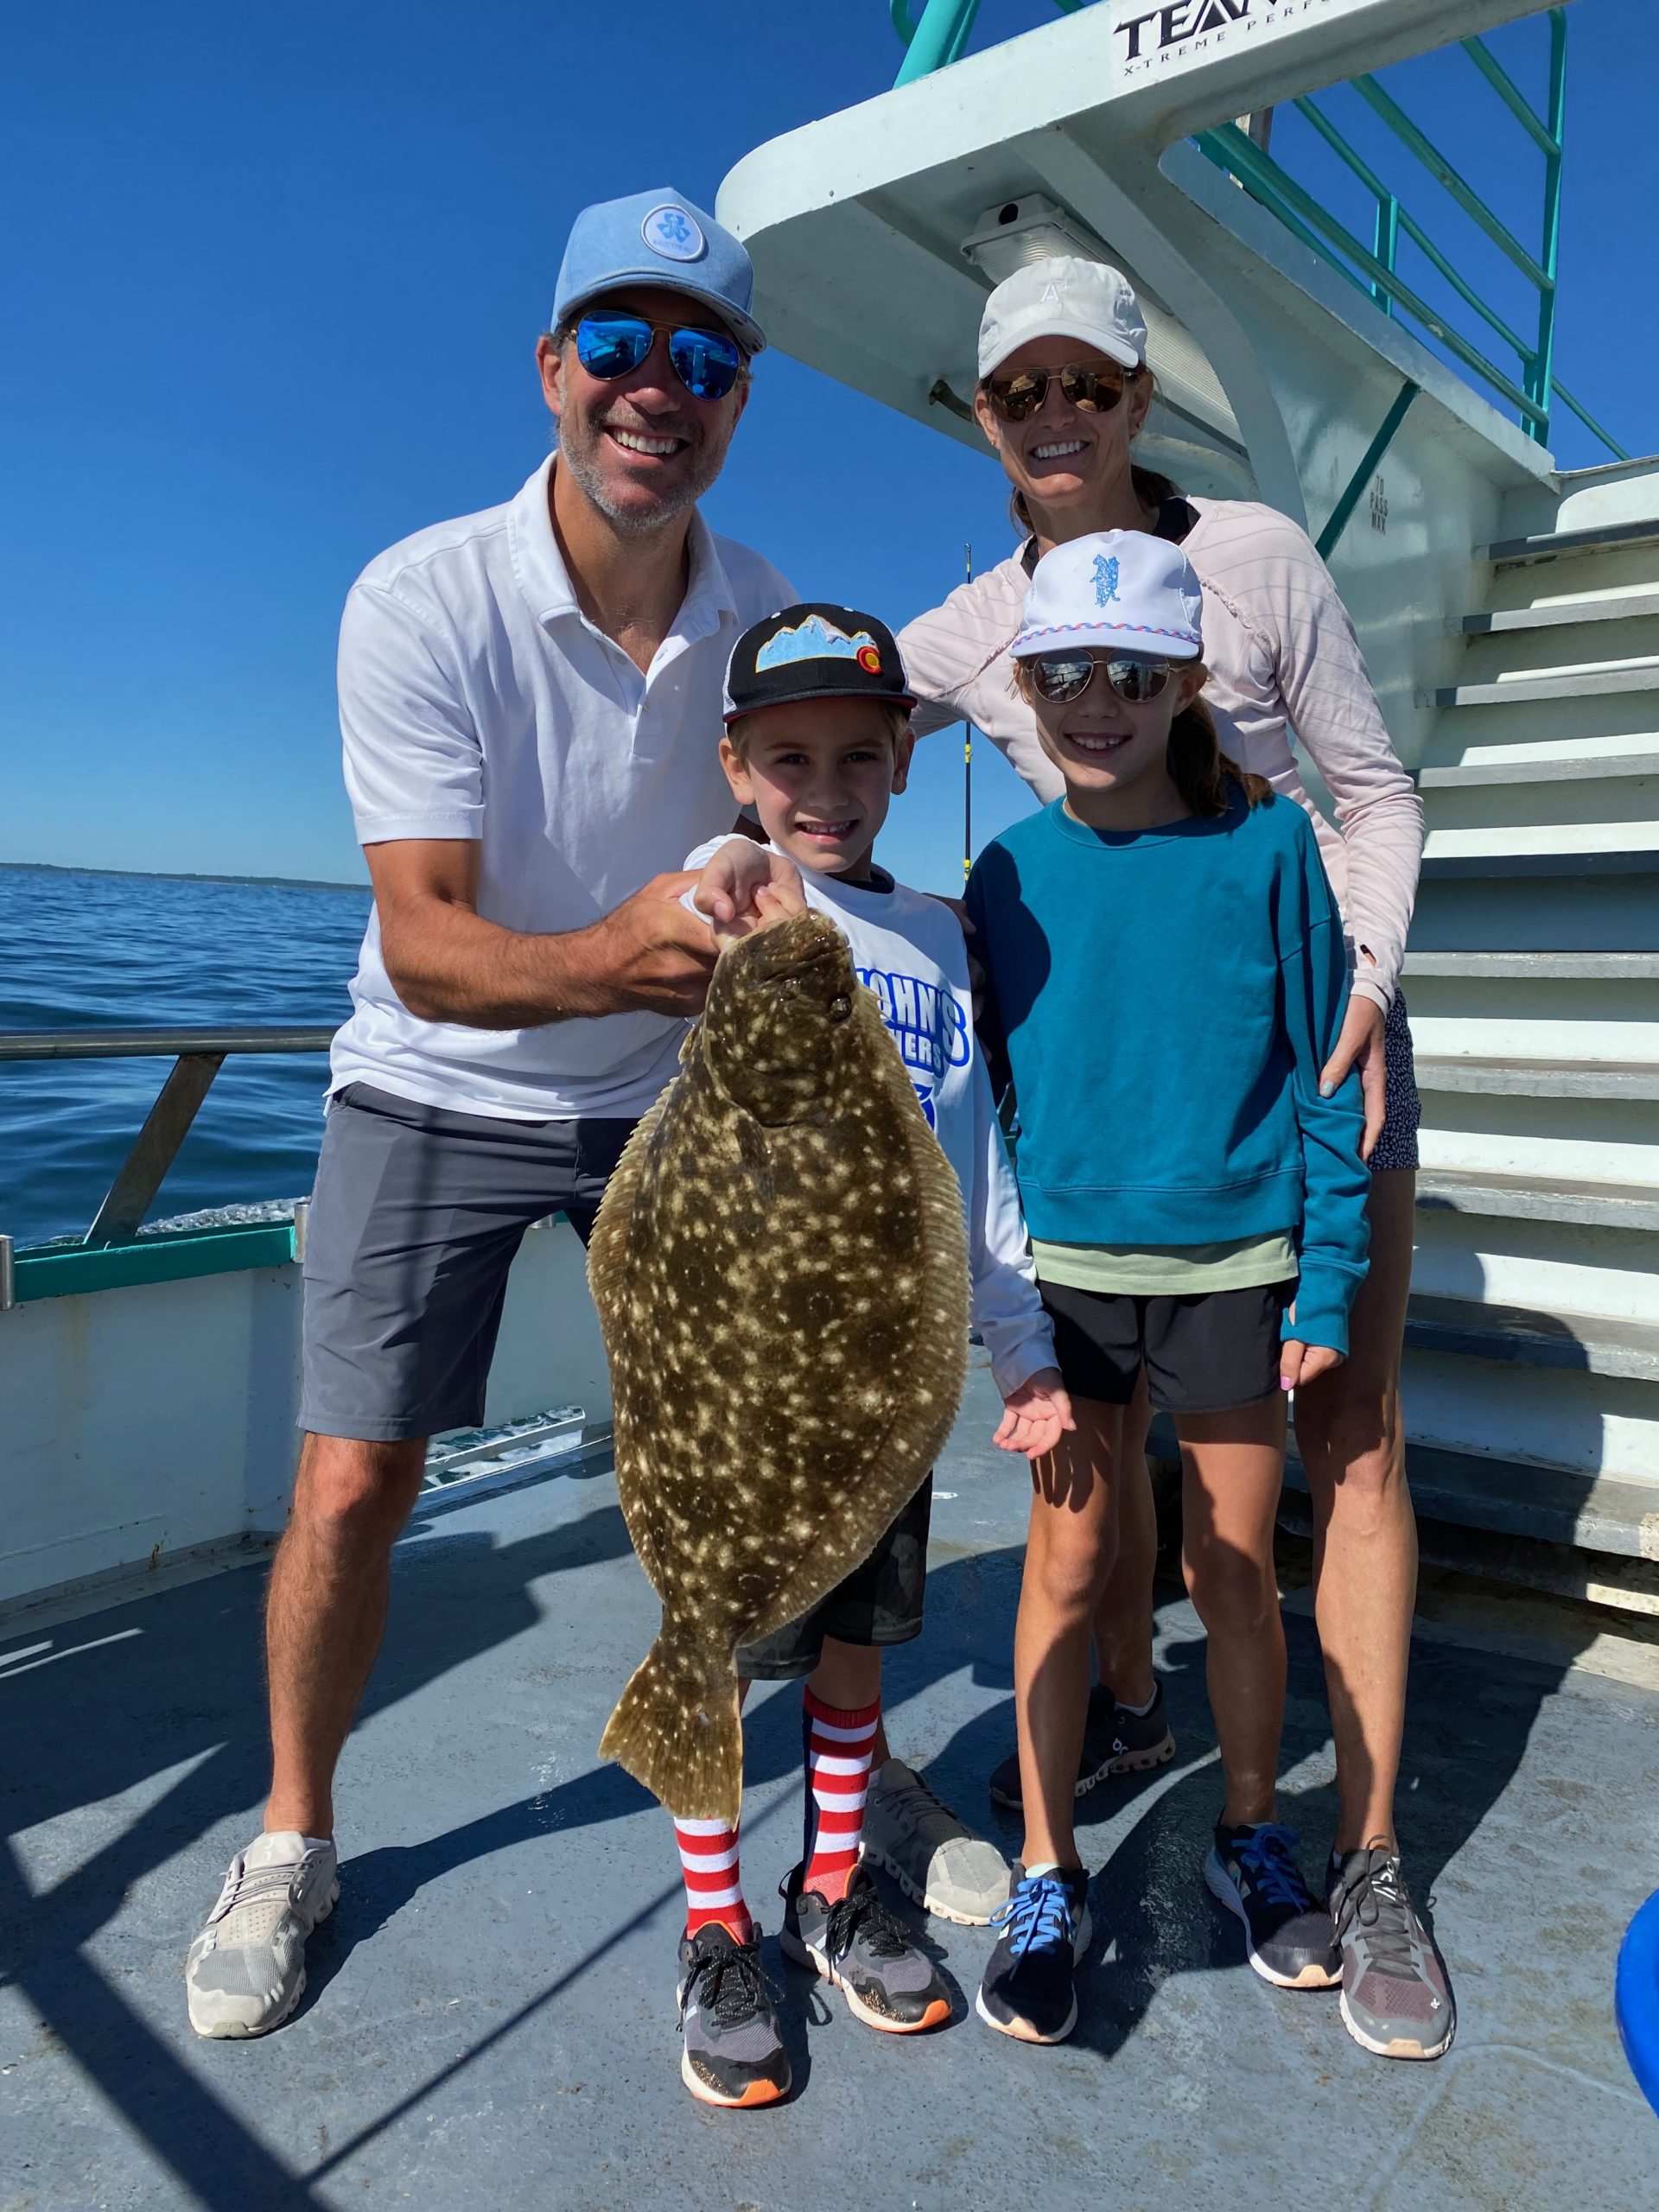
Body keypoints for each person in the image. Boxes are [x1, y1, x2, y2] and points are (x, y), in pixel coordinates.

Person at [184, 188, 795, 2039]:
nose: (653, 391)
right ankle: (293, 1831)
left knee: (771, 1430)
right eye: (617, 346)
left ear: (736, 400)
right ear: (552, 370)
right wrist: (619, 956)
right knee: (353, 1472)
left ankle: (835, 1785)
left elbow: (811, 841)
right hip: (437, 1079)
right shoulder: (421, 595)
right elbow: (431, 945)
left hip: (662, 1089)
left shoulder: (766, 614)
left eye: (700, 360)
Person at [885, 257, 1450, 2063]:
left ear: (1141, 399)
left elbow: (1374, 794)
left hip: (1305, 1042)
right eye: (1016, 391)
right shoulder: (984, 622)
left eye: (1090, 387)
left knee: (1334, 1453)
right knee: (1093, 1510)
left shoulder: (1264, 558)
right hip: (1105, 1153)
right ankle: (1120, 1728)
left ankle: (1346, 1854)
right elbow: (823, 726)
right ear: (985, 420)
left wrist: (1352, 1005)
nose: (1056, 417)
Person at [966, 529, 1376, 2048]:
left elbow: (1331, 1082)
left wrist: (1326, 1284)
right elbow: (979, 1099)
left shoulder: (1275, 849)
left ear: (1185, 682)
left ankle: (1252, 1830)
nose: (1095, 700)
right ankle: (1045, 1870)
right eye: (1064, 671)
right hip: (1062, 1288)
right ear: (1025, 681)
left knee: (1228, 1575)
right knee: (1069, 1576)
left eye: (1131, 674)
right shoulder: (1000, 872)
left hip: (1238, 1274)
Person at [664, 604, 1074, 2107]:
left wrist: (1017, 1343)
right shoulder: (739, 899)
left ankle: (830, 1886)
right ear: (738, 767)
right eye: (786, 760)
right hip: (748, 1362)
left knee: (853, 1640)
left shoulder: (937, 937)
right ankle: (712, 1922)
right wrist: (718, 867)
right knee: (719, 1646)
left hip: (890, 1362)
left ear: (905, 755)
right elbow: (693, 895)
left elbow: (978, 1166)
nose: (822, 787)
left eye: (856, 752)